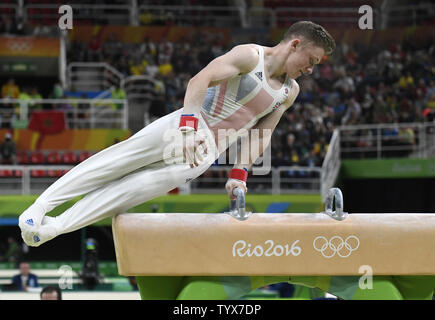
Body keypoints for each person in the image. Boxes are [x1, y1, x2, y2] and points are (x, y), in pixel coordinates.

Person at [18, 21, 335, 247]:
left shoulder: (289, 92)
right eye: (311, 60)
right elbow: (200, 80)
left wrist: (239, 174)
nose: (311, 70)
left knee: (132, 190)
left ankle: (55, 228)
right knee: (112, 164)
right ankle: (40, 208)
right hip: (183, 127)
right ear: (295, 44)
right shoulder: (250, 56)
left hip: (205, 154)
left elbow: (262, 133)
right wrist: (189, 126)